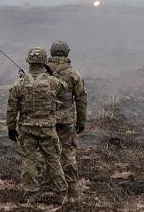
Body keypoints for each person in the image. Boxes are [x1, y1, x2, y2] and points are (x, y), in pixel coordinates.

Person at [6, 47, 69, 204]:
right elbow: (64, 86)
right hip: (47, 129)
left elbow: (12, 108)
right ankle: (61, 195)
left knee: (29, 161)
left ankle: (31, 195)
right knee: (53, 160)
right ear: (44, 62)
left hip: (27, 129)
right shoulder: (52, 82)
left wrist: (11, 127)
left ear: (29, 62)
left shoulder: (19, 83)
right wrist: (50, 73)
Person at [46, 40, 87, 198]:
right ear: (67, 53)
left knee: (45, 152)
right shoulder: (73, 73)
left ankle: (48, 185)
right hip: (66, 119)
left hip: (45, 119)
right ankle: (71, 187)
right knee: (68, 152)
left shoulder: (42, 71)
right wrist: (81, 121)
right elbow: (81, 98)